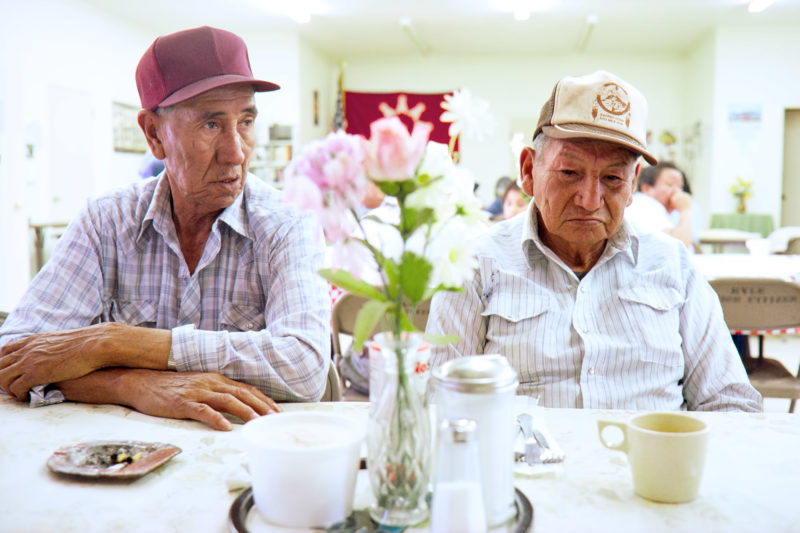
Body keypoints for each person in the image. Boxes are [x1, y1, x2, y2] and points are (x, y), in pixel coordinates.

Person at [0, 26, 332, 430]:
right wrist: (131, 384)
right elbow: (13, 357)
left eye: (245, 121)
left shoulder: (286, 223)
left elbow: (305, 366)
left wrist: (115, 343)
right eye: (211, 125)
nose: (236, 153)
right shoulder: (107, 221)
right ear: (155, 135)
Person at [426, 70, 760, 412]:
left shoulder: (673, 263)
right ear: (528, 171)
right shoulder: (476, 263)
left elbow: (729, 401)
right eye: (569, 173)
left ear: (632, 185)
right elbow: (442, 400)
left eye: (613, 178)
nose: (589, 199)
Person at [625, 162, 695, 248]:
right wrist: (686, 210)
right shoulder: (646, 206)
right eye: (670, 184)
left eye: (680, 186)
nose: (677, 192)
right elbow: (678, 247)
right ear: (646, 188)